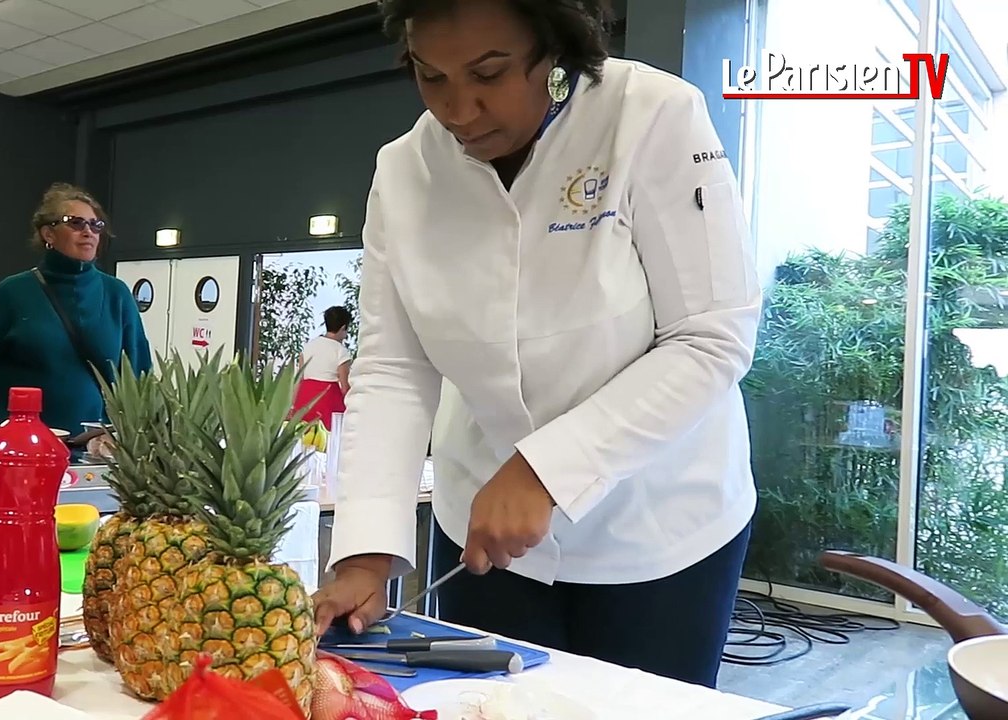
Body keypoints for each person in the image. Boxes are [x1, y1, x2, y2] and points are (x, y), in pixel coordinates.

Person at [314, 0, 762, 689]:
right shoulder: (404, 171)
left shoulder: (652, 116)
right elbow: (395, 369)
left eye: (488, 73)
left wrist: (548, 467)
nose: (459, 110)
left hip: (659, 526)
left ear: (553, 48)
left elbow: (710, 336)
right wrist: (366, 553)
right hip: (482, 527)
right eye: (431, 77)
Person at [0, 183, 152, 435]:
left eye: (95, 225)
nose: (88, 232)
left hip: (89, 449)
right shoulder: (12, 293)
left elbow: (139, 376)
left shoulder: (117, 294)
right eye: (76, 223)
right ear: (48, 234)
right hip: (18, 448)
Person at [292, 306, 353, 430]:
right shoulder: (341, 351)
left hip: (305, 399)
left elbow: (298, 379)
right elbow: (345, 387)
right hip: (328, 400)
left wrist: (293, 405)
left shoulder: (308, 347)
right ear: (343, 328)